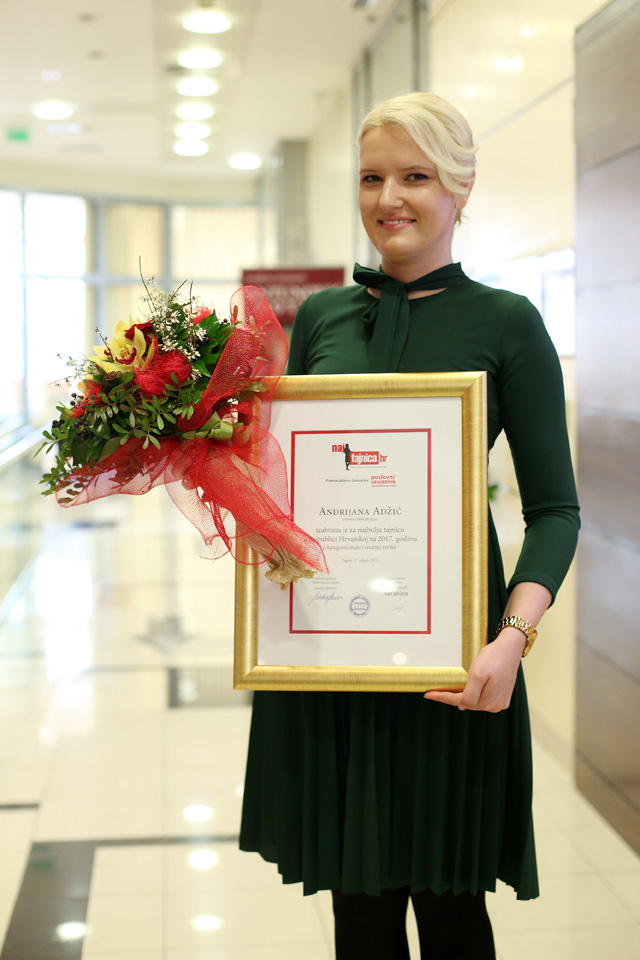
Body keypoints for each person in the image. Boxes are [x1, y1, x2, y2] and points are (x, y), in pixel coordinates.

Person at [239, 92, 579, 959]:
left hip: (456, 654)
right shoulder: (323, 317)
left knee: (453, 909)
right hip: (334, 655)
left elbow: (556, 511)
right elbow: (288, 477)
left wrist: (512, 640)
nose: (388, 198)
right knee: (357, 911)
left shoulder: (508, 322)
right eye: (371, 178)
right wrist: (256, 522)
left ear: (461, 187)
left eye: (415, 176)